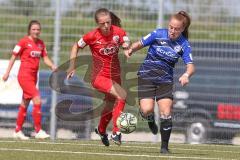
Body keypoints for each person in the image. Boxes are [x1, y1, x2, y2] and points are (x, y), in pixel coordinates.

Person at [124, 11, 195, 153]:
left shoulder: (184, 45)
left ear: (182, 29)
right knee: (146, 109)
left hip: (165, 80)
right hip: (147, 76)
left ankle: (164, 148)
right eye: (171, 27)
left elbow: (191, 65)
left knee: (166, 112)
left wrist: (186, 75)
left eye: (176, 29)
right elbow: (140, 43)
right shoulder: (157, 34)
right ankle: (149, 118)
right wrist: (131, 49)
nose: (172, 31)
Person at [66, 8, 130, 146]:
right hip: (99, 77)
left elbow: (126, 40)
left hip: (115, 76)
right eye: (102, 24)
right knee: (122, 95)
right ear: (97, 24)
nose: (106, 26)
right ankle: (116, 132)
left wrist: (126, 47)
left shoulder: (118, 32)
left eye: (108, 22)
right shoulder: (91, 36)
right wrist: (72, 66)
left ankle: (101, 130)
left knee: (109, 104)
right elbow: (76, 46)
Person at [2, 20, 56, 140]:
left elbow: (45, 58)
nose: (36, 31)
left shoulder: (41, 44)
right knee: (37, 99)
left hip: (33, 77)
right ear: (29, 30)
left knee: (25, 103)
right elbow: (13, 57)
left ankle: (17, 131)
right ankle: (38, 130)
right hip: (24, 76)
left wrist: (52, 66)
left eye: (38, 29)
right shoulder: (23, 42)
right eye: (34, 29)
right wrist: (6, 73)